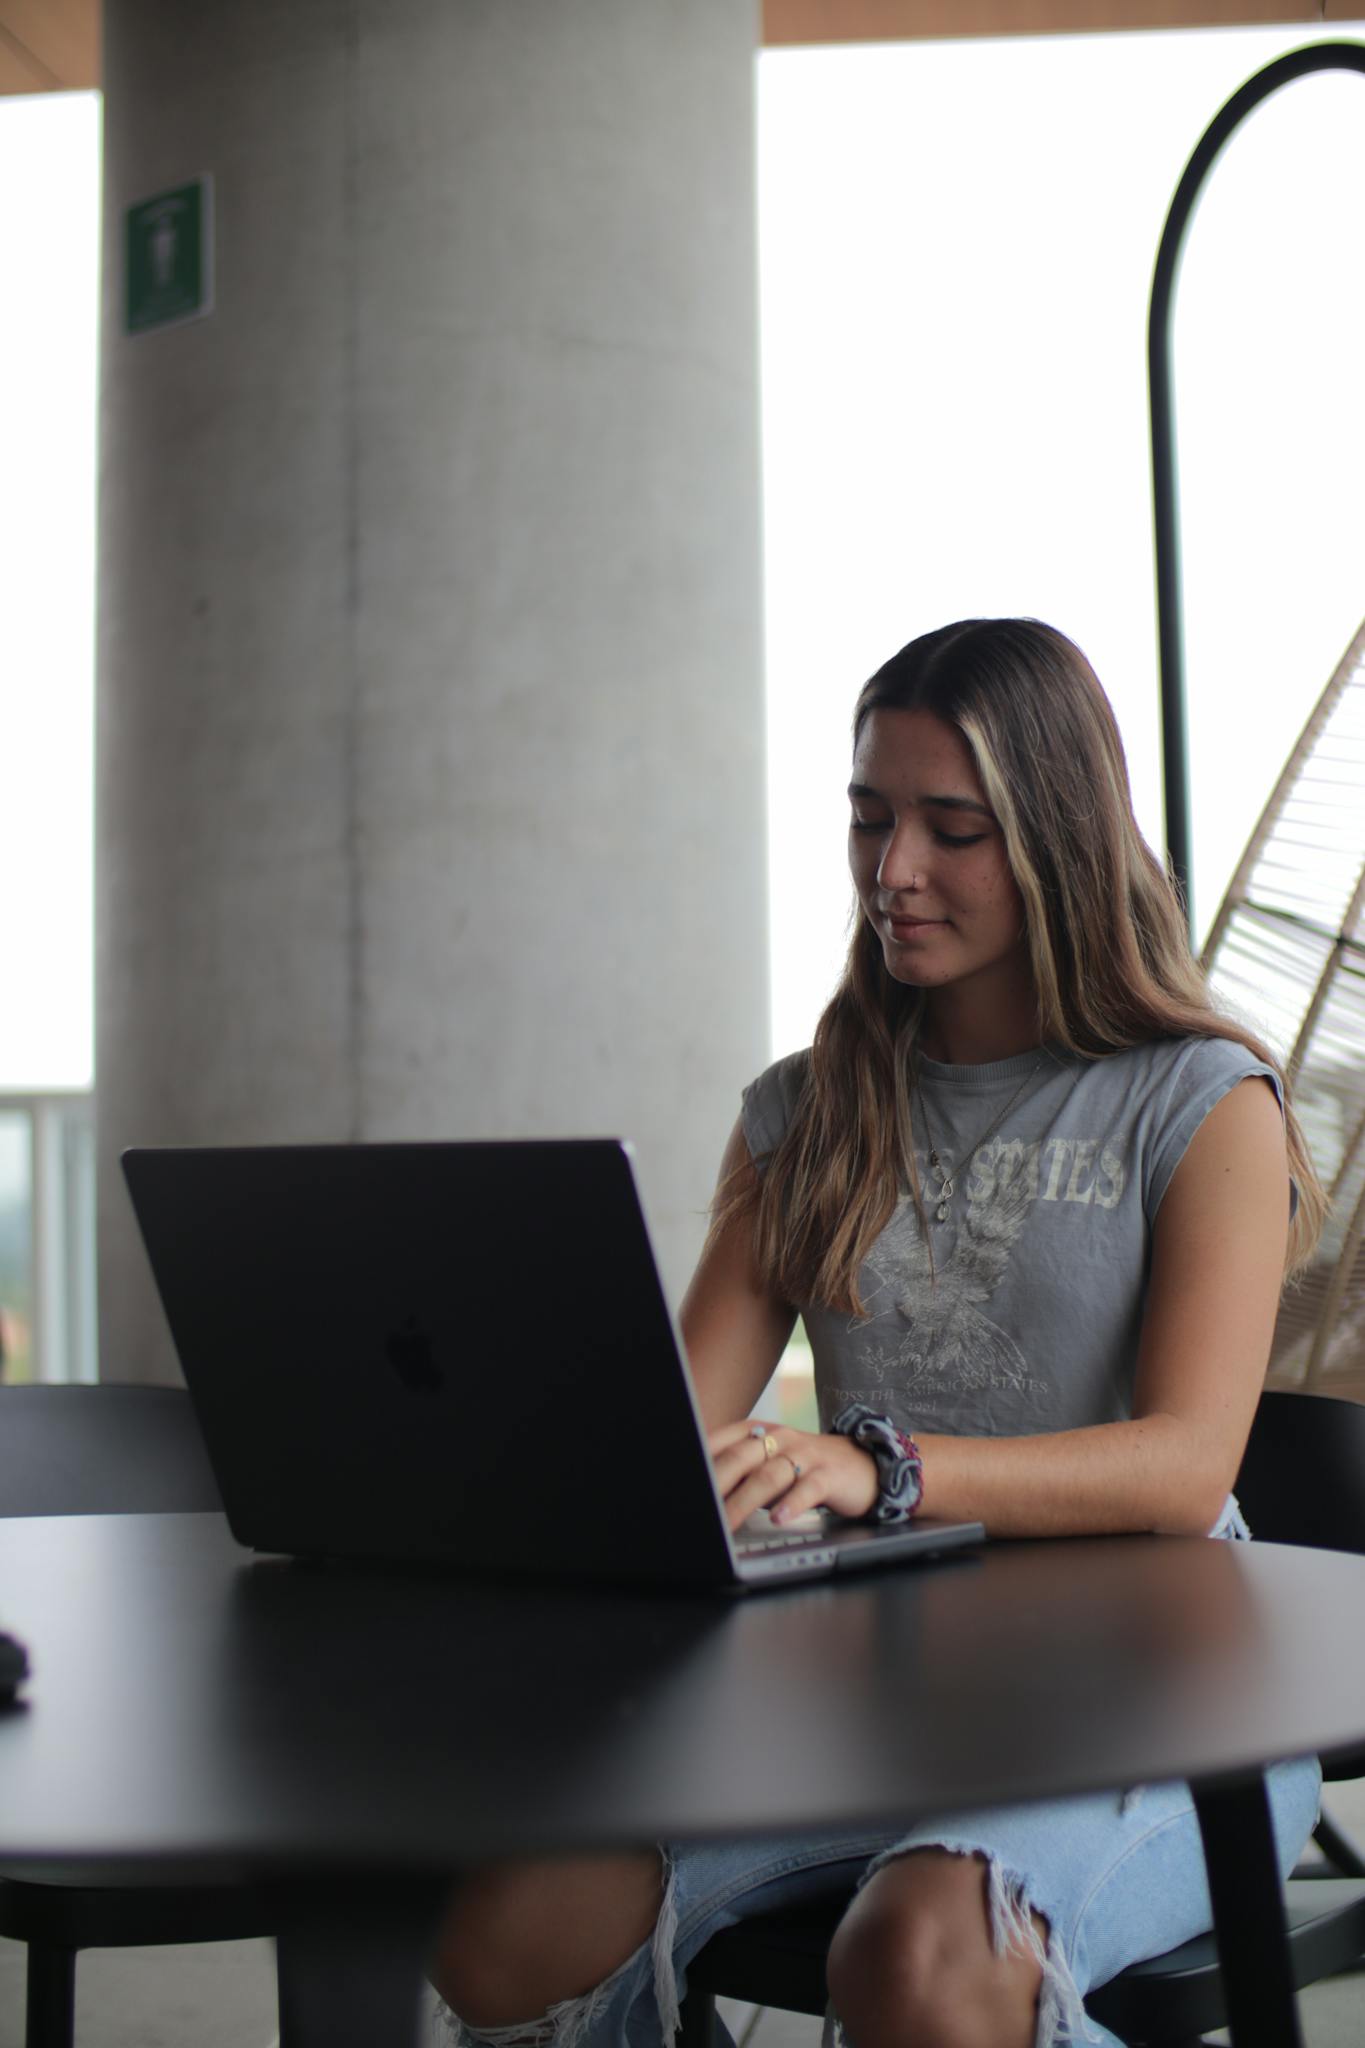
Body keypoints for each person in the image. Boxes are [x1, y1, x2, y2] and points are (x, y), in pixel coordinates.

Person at [430, 618, 1324, 2048]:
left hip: (1164, 1699)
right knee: (506, 1928)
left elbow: (1183, 1465)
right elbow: (671, 1446)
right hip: (868, 1695)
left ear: (1055, 837)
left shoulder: (1200, 1099)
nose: (890, 869)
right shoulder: (806, 1109)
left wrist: (876, 1465)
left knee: (916, 1959)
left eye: (949, 828)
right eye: (867, 817)